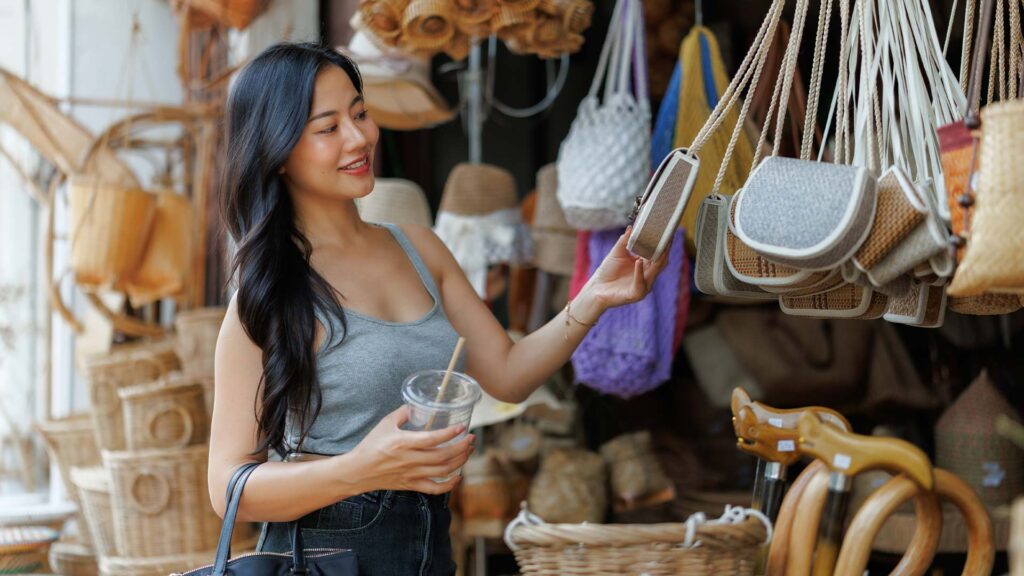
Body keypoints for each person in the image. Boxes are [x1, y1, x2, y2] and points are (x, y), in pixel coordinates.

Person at [210, 41, 670, 575]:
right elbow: (226, 488)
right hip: (321, 556)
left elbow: (509, 374)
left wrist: (595, 296)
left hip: (428, 543)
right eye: (328, 127)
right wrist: (362, 469)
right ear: (278, 150)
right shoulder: (270, 291)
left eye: (359, 113)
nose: (360, 137)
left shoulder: (418, 247)